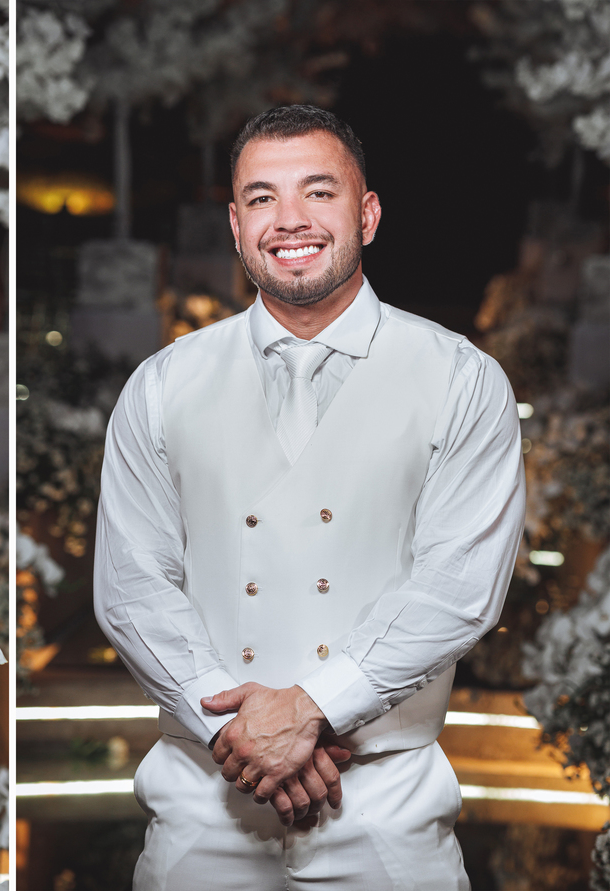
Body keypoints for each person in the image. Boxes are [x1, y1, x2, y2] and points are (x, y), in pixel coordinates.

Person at [93, 104, 525, 890]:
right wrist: (242, 732)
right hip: (202, 810)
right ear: (234, 223)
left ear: (367, 213)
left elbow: (458, 586)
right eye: (262, 197)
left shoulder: (462, 379)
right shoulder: (161, 384)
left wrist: (313, 708)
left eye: (318, 193)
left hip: (389, 811)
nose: (289, 220)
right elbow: (130, 586)